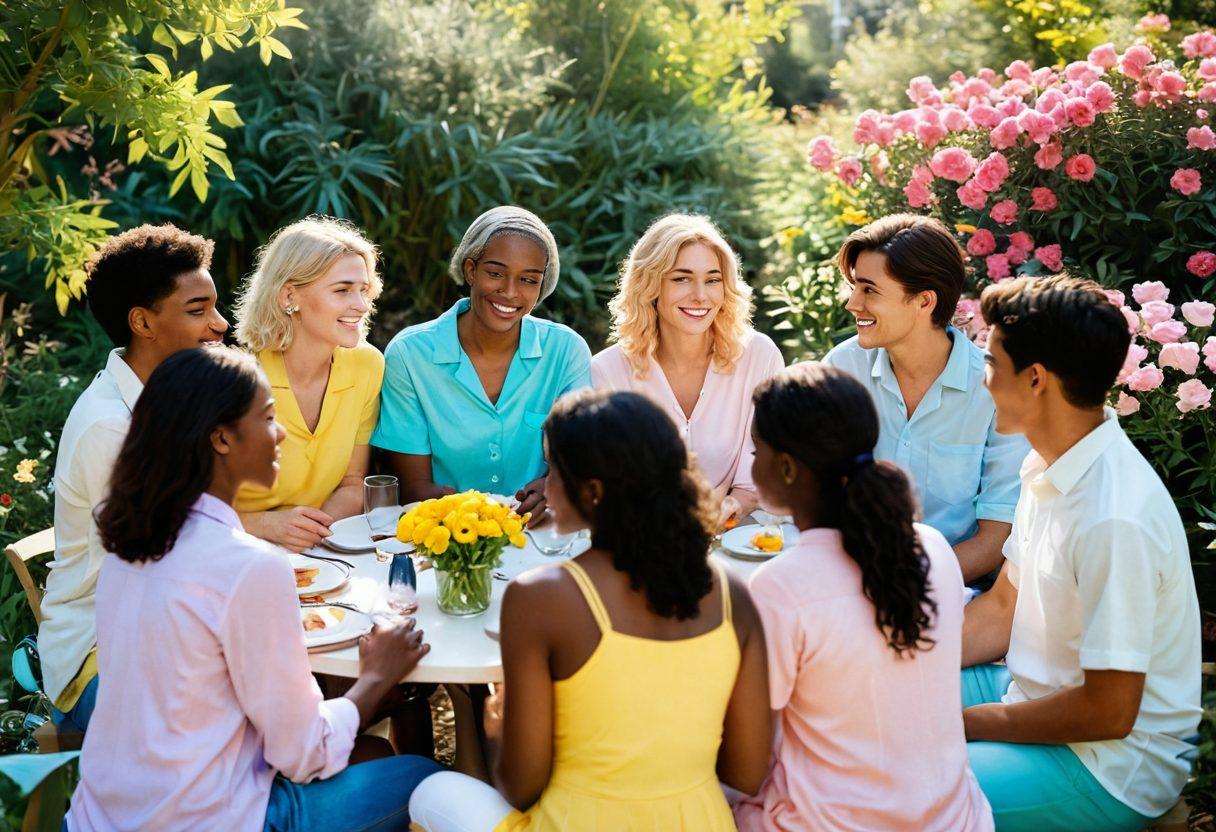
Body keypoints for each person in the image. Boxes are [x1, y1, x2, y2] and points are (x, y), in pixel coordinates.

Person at [66, 347, 441, 831]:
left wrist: (360, 703)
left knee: (369, 750)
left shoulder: (127, 546)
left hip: (102, 818)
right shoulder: (249, 568)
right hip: (213, 820)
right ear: (220, 438)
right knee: (430, 782)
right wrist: (376, 678)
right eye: (267, 418)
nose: (281, 431)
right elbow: (304, 755)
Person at [408, 389, 772, 831]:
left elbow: (520, 788)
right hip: (697, 820)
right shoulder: (736, 592)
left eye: (553, 470)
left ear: (594, 491)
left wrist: (497, 729)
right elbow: (747, 773)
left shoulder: (541, 597)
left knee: (430, 792)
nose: (544, 485)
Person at [961, 275, 1202, 831]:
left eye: (992, 363)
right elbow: (1002, 610)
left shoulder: (1114, 516)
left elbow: (1109, 712)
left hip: (1107, 765)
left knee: (897, 790)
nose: (983, 380)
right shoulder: (1046, 460)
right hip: (1027, 690)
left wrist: (970, 723)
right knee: (870, 702)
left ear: (1036, 378)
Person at [734, 362, 993, 831]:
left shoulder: (781, 588)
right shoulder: (932, 548)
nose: (752, 465)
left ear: (787, 467)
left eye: (756, 452)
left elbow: (747, 768)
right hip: (955, 820)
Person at [38, 224, 228, 734]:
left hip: (163, 622)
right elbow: (170, 556)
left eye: (214, 306)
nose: (220, 324)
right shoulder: (111, 426)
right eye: (198, 310)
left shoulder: (171, 397)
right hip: (101, 654)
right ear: (143, 322)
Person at [823, 214, 1027, 584]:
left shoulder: (995, 392)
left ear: (924, 301)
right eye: (855, 287)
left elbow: (996, 539)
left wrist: (898, 586)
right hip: (845, 582)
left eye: (869, 290)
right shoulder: (842, 368)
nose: (853, 303)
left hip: (951, 594)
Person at [373, 207, 592, 521]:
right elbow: (414, 489)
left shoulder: (565, 351)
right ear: (471, 270)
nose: (511, 291)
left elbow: (578, 466)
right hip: (445, 536)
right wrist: (480, 520)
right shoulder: (410, 356)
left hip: (540, 533)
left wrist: (555, 484)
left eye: (528, 280)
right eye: (495, 273)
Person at [592, 214, 784, 526]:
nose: (700, 295)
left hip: (738, 536)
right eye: (681, 278)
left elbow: (763, 464)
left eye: (712, 279)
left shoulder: (759, 357)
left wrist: (733, 505)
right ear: (651, 285)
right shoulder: (607, 371)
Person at [233, 216, 385, 552]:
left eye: (363, 290)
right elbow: (185, 507)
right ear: (290, 295)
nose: (360, 305)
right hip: (236, 551)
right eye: (342, 290)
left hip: (321, 553)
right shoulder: (234, 375)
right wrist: (263, 524)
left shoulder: (367, 365)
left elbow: (352, 483)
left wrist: (310, 536)